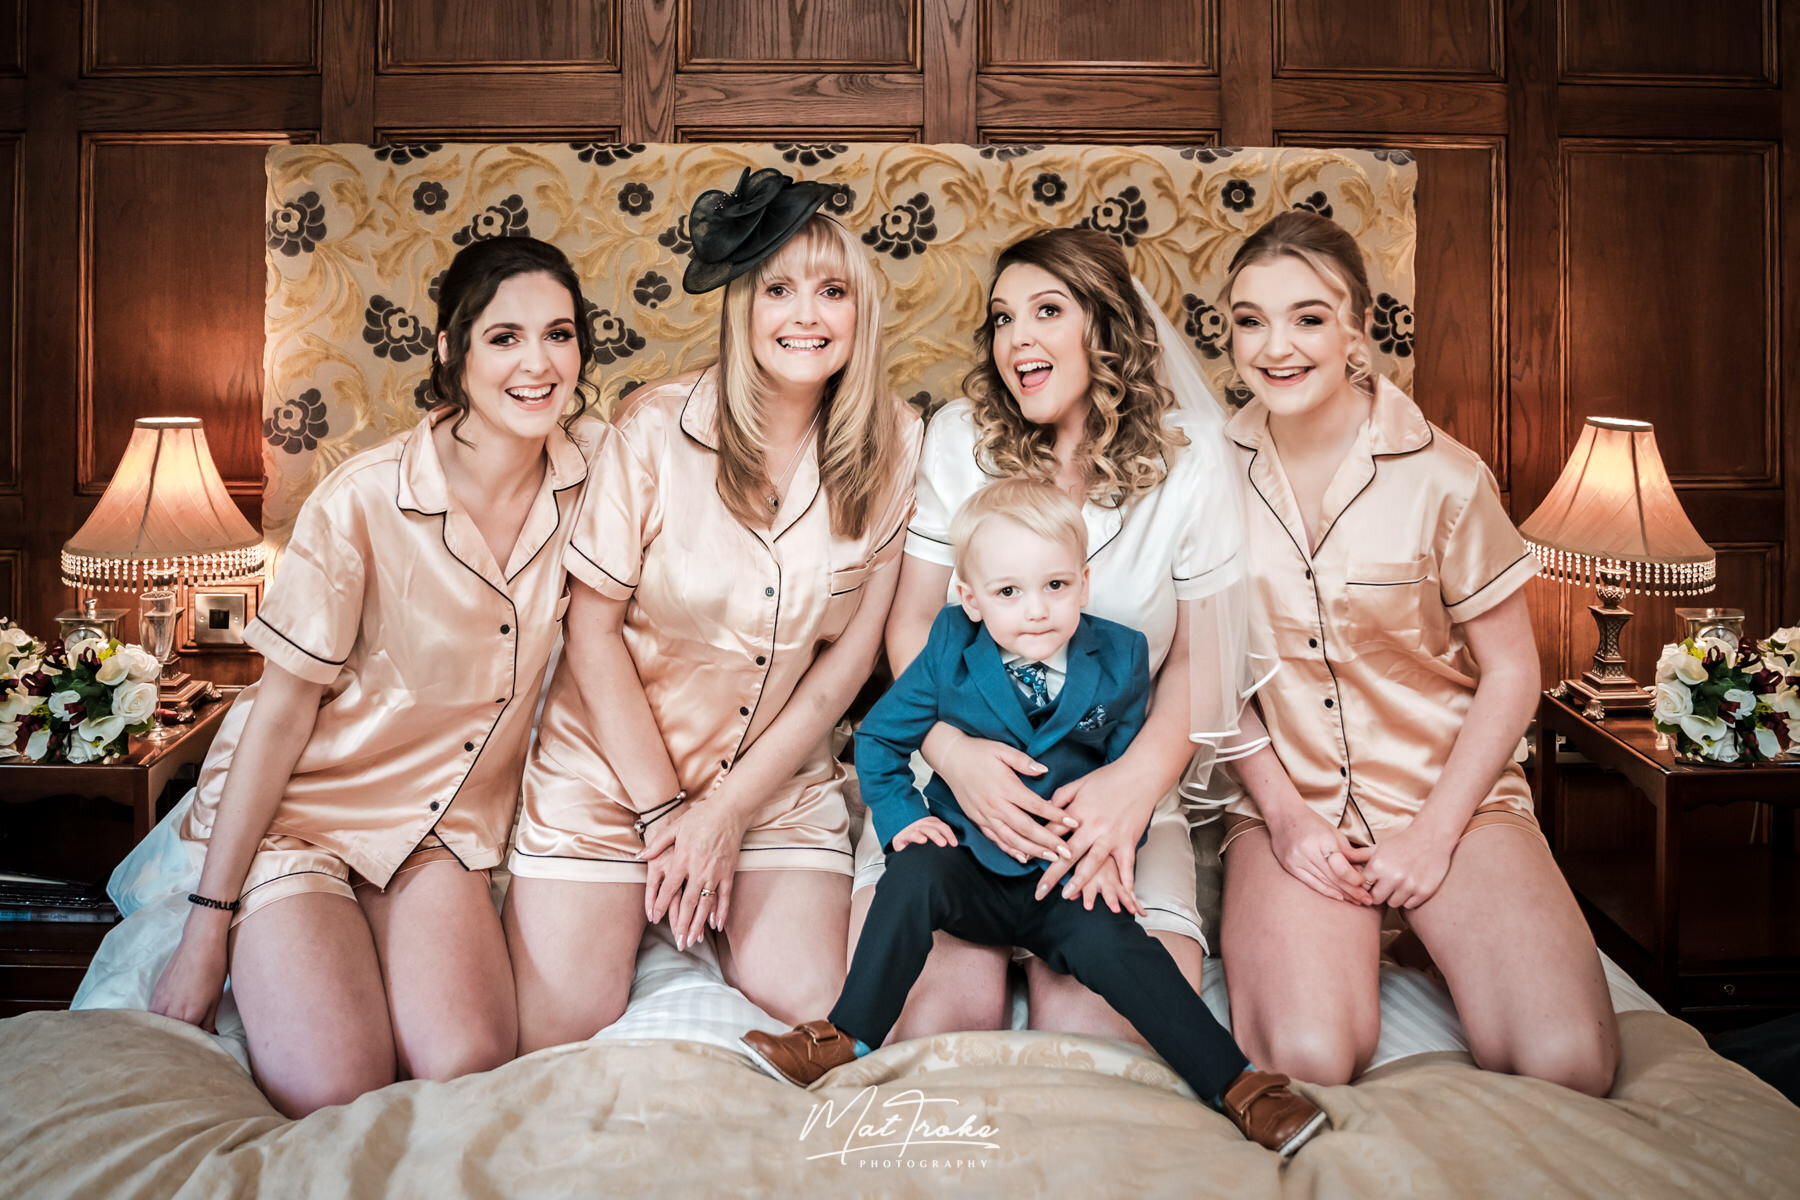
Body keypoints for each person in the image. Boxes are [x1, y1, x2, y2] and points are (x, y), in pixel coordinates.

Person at [143, 235, 607, 1117]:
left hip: (444, 825)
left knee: (465, 1063)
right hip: (307, 814)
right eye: (504, 337)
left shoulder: (600, 480)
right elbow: (280, 718)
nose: (539, 364)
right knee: (332, 1084)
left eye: (560, 334)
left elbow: (705, 417)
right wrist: (207, 927)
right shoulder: (363, 497)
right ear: (451, 350)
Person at [744, 479, 1325, 1157]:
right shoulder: (948, 650)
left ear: (1083, 583)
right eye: (1010, 593)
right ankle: (842, 1034)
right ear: (970, 596)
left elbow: (1123, 774)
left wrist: (1110, 851)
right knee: (911, 876)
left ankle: (1241, 1086)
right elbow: (878, 737)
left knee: (1128, 954)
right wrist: (903, 816)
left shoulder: (1121, 657)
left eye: (1055, 586)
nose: (1038, 611)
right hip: (970, 865)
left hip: (1061, 875)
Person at [504, 168, 923, 1051]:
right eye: (778, 289)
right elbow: (590, 627)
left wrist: (727, 813)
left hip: (772, 785)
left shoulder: (896, 445)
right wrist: (668, 818)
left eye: (832, 291)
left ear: (861, 311)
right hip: (611, 780)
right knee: (559, 1026)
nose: (806, 314)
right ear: (742, 306)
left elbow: (844, 665)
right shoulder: (653, 430)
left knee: (813, 1007)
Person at [1214, 209, 1620, 1095]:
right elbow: (1205, 676)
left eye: (1308, 318)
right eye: (1249, 320)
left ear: (1358, 325)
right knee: (1305, 1060)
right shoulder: (1206, 476)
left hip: (1451, 801)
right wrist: (1285, 817)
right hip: (1294, 805)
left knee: (1570, 1064)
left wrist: (1434, 839)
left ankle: (1450, 930)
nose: (1275, 346)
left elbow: (1515, 672)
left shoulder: (1447, 476)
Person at [854, 228, 1262, 1043]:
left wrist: (1132, 790)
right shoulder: (959, 440)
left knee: (1095, 1037)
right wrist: (949, 754)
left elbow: (1202, 658)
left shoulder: (1194, 462)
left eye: (1048, 310)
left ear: (1105, 328)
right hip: (958, 794)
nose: (1018, 339)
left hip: (1113, 789)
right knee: (938, 1026)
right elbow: (913, 620)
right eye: (1003, 318)